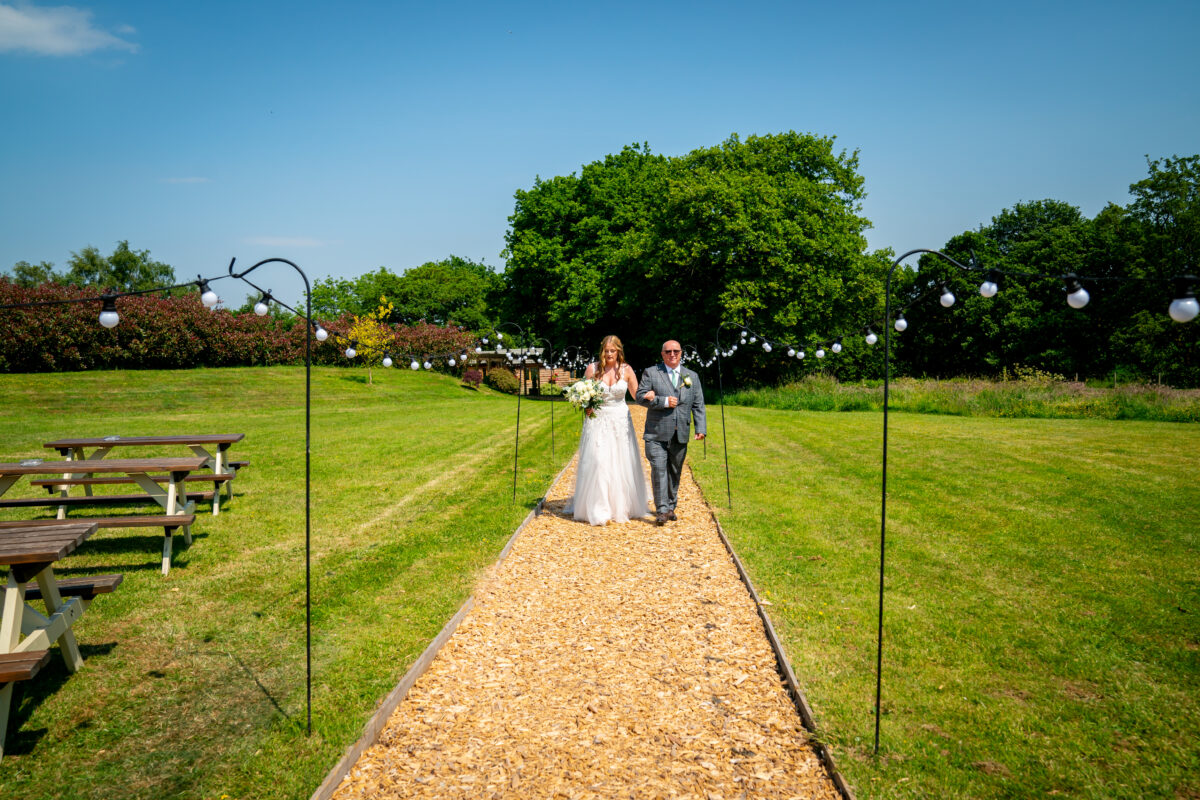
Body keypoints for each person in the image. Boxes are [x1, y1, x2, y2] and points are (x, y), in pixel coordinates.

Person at [565, 335, 651, 525]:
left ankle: (620, 507)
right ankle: (598, 508)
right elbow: (583, 392)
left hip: (620, 420)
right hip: (598, 420)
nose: (610, 354)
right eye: (607, 350)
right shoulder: (593, 369)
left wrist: (653, 397)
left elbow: (637, 395)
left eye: (613, 350)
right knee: (598, 461)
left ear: (619, 351)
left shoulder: (627, 370)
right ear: (602, 351)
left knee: (621, 461)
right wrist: (586, 405)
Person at [636, 340, 706, 526]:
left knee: (675, 472)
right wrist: (663, 401)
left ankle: (670, 506)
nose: (672, 354)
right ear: (662, 354)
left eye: (676, 351)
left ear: (681, 353)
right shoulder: (651, 373)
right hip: (656, 434)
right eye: (668, 351)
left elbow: (698, 405)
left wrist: (701, 428)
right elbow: (639, 397)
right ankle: (662, 510)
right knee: (659, 469)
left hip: (680, 433)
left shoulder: (692, 376)